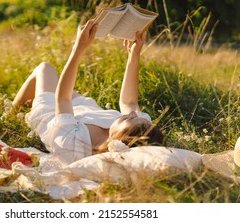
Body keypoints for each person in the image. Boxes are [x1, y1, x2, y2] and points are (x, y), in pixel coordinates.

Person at [11, 19, 165, 165]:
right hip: (81, 108)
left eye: (128, 119)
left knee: (45, 69)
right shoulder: (142, 128)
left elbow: (63, 99)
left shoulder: (74, 144)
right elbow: (129, 102)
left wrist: (78, 48)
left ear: (117, 141)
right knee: (62, 83)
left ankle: (11, 114)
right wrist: (134, 54)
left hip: (52, 112)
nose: (133, 114)